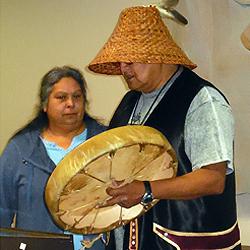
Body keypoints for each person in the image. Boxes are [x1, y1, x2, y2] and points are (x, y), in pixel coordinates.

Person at [88, 6, 241, 250]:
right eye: (121, 62)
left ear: (158, 54)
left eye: (130, 60)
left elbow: (213, 179)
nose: (124, 69)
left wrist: (146, 190)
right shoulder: (129, 102)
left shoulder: (202, 101)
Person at [0, 66, 107, 250]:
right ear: (44, 104)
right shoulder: (20, 150)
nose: (70, 104)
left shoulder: (105, 143)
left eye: (77, 96)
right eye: (61, 97)